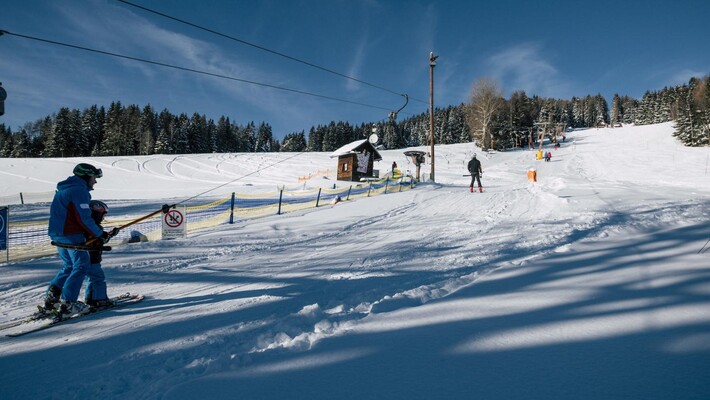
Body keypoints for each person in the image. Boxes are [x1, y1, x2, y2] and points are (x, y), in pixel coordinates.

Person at [43, 163, 118, 316]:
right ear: (86, 176)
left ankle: (52, 297)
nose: (95, 181)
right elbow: (84, 218)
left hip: (58, 233)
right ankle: (69, 303)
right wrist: (100, 234)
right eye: (94, 178)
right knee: (81, 266)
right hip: (71, 234)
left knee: (69, 266)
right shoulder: (79, 191)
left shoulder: (63, 189)